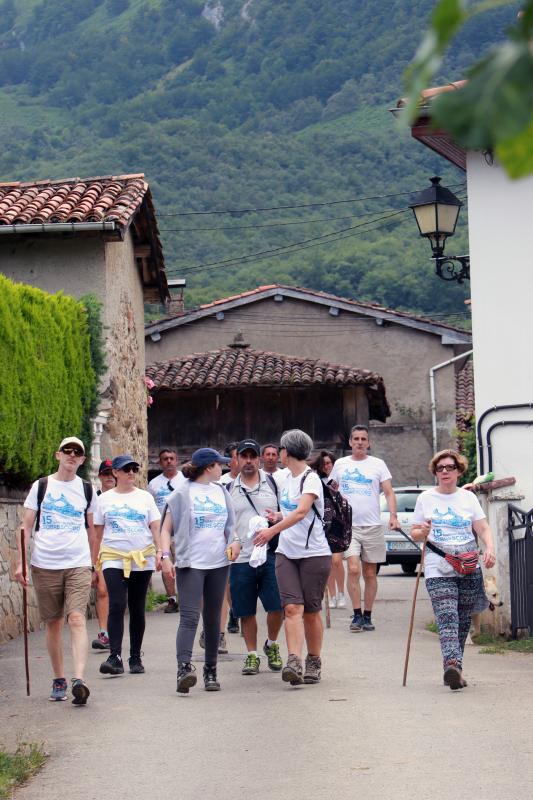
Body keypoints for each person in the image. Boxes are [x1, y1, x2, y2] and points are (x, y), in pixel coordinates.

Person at [15, 436, 96, 704]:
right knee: (54, 623)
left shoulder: (87, 489)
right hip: (45, 564)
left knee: (76, 618)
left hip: (78, 562)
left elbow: (92, 530)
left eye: (78, 453)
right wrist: (21, 563)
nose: (72, 455)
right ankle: (59, 678)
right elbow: (26, 526)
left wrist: (94, 563)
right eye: (67, 451)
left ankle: (79, 680)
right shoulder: (41, 486)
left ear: (82, 460)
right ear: (57, 455)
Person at [411, 449, 496, 690]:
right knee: (447, 617)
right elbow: (416, 532)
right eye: (440, 468)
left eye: (450, 467)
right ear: (435, 473)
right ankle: (451, 663)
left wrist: (489, 548)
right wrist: (422, 532)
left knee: (462, 620)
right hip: (439, 566)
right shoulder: (426, 498)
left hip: (469, 566)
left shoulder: (468, 498)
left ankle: (455, 668)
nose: (445, 471)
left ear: (459, 471)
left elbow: (482, 527)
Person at [255, 429, 331, 686]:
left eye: (281, 450)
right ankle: (294, 660)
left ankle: (314, 660)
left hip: (314, 554)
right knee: (291, 607)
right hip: (286, 552)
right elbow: (289, 511)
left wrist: (271, 531)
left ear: (288, 451)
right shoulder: (284, 477)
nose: (279, 454)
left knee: (310, 611)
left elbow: (300, 512)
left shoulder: (311, 479)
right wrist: (277, 516)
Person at [161, 448, 239, 693]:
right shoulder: (182, 494)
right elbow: (166, 529)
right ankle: (184, 668)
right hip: (191, 563)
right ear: (208, 467)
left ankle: (210, 670)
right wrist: (164, 556)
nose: (223, 468)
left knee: (213, 618)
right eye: (220, 464)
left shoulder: (221, 492)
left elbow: (230, 526)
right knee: (190, 616)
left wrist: (235, 541)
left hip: (218, 562)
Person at [94, 454, 162, 676]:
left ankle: (135, 656)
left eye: (134, 468)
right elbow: (97, 533)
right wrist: (93, 562)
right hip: (113, 556)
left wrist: (161, 552)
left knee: (137, 606)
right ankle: (115, 656)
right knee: (116, 604)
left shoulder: (145, 498)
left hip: (141, 557)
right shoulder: (104, 499)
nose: (131, 472)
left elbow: (154, 527)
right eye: (126, 469)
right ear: (115, 472)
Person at [329, 425, 398, 632]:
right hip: (348, 526)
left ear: (368, 443)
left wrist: (393, 516)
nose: (359, 442)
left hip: (373, 525)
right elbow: (331, 491)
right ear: (350, 442)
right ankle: (356, 615)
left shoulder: (378, 464)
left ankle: (368, 616)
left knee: (369, 573)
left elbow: (388, 492)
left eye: (363, 439)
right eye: (356, 438)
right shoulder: (340, 464)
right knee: (353, 568)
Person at [228, 439, 283, 676]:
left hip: (271, 554)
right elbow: (226, 523)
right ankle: (251, 655)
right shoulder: (228, 489)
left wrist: (279, 519)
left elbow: (287, 513)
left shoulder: (273, 484)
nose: (248, 461)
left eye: (253, 456)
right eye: (244, 456)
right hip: (242, 559)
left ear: (259, 459)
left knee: (277, 606)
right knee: (245, 611)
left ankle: (271, 644)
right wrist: (234, 541)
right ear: (237, 460)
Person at [148, 448, 186, 613]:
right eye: (165, 459)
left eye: (171, 458)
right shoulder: (154, 484)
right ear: (160, 462)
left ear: (176, 460)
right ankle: (172, 599)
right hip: (163, 532)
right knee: (166, 566)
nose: (169, 461)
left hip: (182, 532)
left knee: (184, 566)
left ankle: (186, 598)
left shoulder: (185, 480)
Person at [311, 450, 346, 610]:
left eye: (329, 463)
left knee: (337, 560)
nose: (327, 466)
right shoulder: (316, 481)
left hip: (338, 523)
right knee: (329, 563)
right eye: (324, 463)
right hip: (323, 524)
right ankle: (331, 595)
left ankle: (341, 592)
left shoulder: (337, 481)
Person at [91, 459, 115, 651]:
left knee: (119, 595)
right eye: (105, 473)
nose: (109, 477)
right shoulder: (94, 499)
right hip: (100, 550)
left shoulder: (123, 497)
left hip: (121, 552)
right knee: (102, 590)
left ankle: (117, 631)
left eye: (111, 473)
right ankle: (104, 633)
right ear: (99, 476)